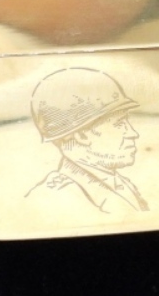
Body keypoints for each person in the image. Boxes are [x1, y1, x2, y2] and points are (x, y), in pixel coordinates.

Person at [23, 67, 148, 214]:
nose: (133, 133)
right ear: (81, 135)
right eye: (119, 124)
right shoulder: (55, 199)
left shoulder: (123, 184)